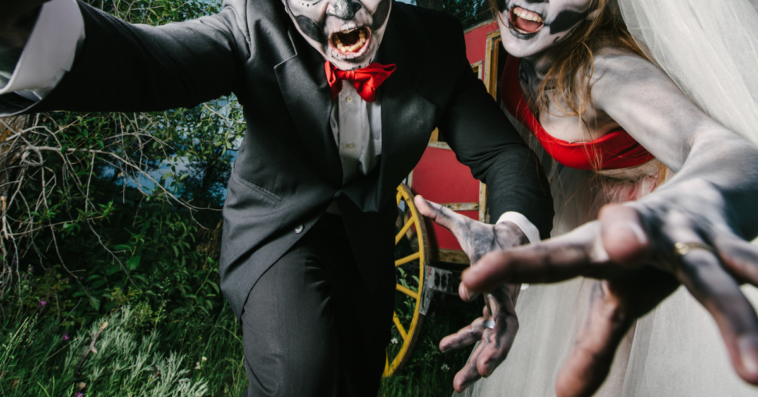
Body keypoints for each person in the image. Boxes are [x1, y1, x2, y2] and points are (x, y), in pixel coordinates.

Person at [0, 0, 556, 395]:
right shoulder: (252, 23)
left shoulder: (431, 42)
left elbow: (504, 156)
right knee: (301, 373)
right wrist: (22, 24)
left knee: (357, 382)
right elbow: (145, 61)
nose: (341, 11)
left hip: (367, 246)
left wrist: (511, 237)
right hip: (275, 234)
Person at [414, 0, 758, 395]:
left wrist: (694, 207)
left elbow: (728, 152)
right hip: (584, 205)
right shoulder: (525, 48)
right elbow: (526, 158)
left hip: (648, 218)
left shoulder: (603, 71)